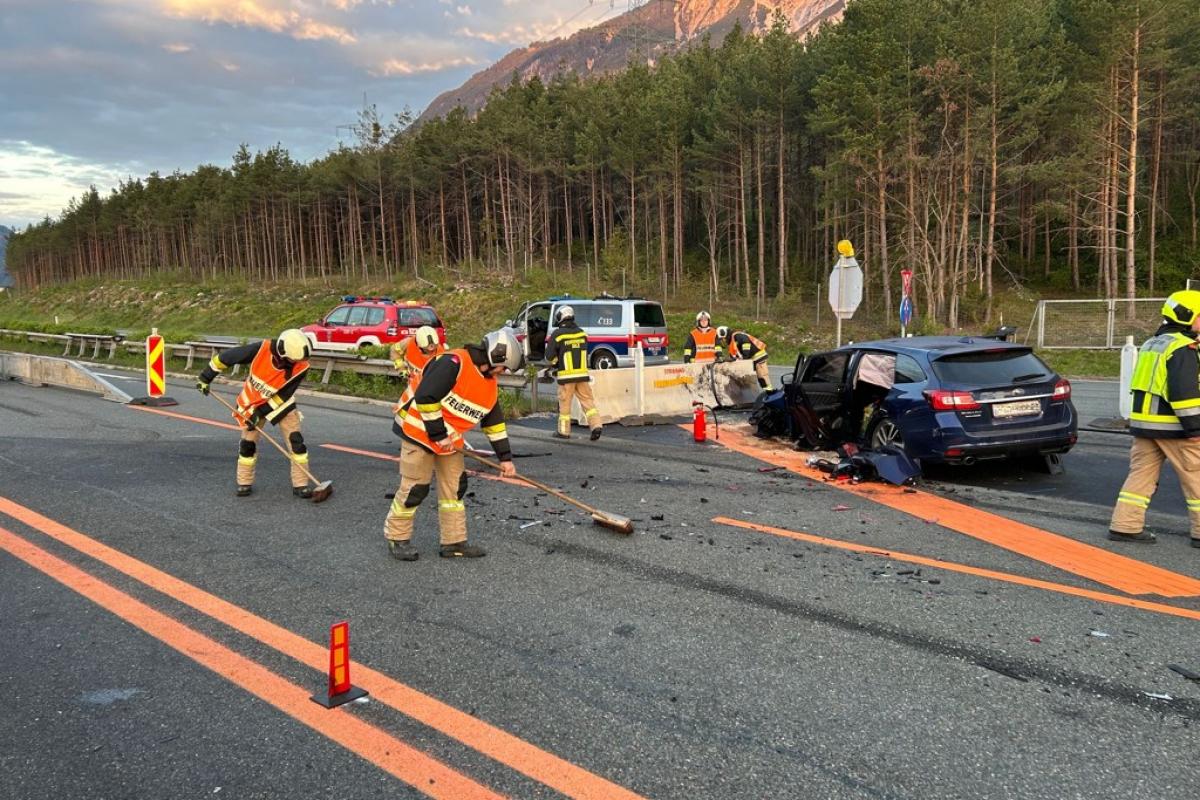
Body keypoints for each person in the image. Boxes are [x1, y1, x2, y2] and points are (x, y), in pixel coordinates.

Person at [385, 328, 523, 561]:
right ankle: (397, 538)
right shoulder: (453, 362)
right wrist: (439, 435)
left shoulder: (489, 383)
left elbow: (494, 424)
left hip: (448, 440)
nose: (504, 372)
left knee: (455, 488)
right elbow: (426, 397)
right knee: (415, 489)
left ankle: (454, 542)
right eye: (504, 367)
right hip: (419, 432)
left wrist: (505, 459)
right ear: (494, 357)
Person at [1109, 290, 1200, 548]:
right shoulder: (1182, 348)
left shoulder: (1153, 343)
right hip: (1174, 427)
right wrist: (1195, 429)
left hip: (1144, 426)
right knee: (1196, 477)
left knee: (1141, 476)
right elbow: (1183, 393)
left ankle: (1125, 526)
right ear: (1186, 315)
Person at [196, 329, 315, 498]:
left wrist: (261, 412)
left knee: (296, 443)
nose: (295, 363)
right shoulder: (262, 349)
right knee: (248, 444)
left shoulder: (301, 366)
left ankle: (301, 484)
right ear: (282, 352)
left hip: (281, 404)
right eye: (292, 360)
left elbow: (283, 395)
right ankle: (244, 483)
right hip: (253, 401)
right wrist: (205, 377)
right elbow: (226, 358)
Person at [543, 305, 603, 441]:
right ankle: (596, 425)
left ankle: (564, 432)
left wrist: (555, 362)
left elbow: (549, 357)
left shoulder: (558, 335)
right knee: (588, 401)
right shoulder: (582, 333)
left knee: (565, 404)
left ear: (560, 317)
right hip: (582, 375)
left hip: (566, 376)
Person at [391, 325, 444, 408]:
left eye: (433, 349)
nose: (431, 352)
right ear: (419, 345)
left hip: (429, 392)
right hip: (411, 389)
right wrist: (401, 369)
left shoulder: (442, 353)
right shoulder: (408, 343)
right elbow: (394, 350)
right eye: (426, 350)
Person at [718, 326, 773, 390]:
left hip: (758, 355)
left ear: (725, 334)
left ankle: (770, 392)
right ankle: (768, 391)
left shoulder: (737, 335)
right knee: (759, 377)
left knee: (762, 375)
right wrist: (727, 360)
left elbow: (745, 342)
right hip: (753, 358)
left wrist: (745, 357)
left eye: (723, 338)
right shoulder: (733, 341)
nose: (723, 340)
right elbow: (734, 355)